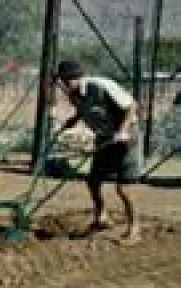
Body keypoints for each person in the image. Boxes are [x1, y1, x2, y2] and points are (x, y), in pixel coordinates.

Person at [53, 60, 141, 243]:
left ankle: (134, 230)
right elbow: (84, 110)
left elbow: (132, 105)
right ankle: (102, 217)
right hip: (105, 138)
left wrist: (123, 131)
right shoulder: (74, 94)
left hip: (126, 138)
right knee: (93, 180)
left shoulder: (101, 86)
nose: (65, 85)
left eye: (66, 81)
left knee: (124, 188)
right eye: (63, 82)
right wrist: (72, 121)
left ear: (74, 78)